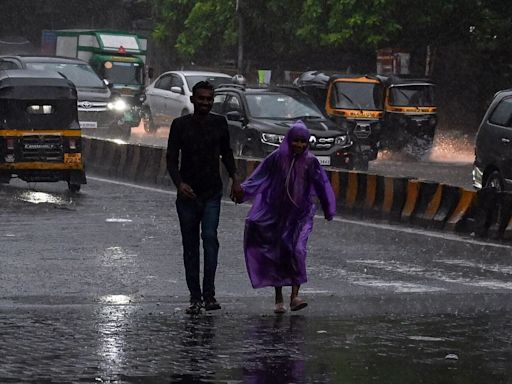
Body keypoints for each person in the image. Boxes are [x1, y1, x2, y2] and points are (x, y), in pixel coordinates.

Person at [236, 120, 336, 313]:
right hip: (277, 214)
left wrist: (328, 207)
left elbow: (322, 185)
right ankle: (279, 297)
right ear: (288, 140)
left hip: (301, 215)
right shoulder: (276, 158)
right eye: (295, 140)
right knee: (278, 252)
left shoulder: (311, 162)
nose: (298, 145)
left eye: (302, 141)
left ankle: (295, 296)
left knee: (297, 250)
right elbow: (259, 177)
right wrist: (243, 192)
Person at [167, 80, 243, 315]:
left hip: (212, 192)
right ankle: (195, 297)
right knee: (190, 247)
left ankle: (209, 294)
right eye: (201, 99)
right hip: (188, 196)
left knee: (210, 239)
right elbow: (171, 159)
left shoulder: (219, 123)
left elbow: (226, 153)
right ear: (193, 100)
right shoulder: (180, 125)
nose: (205, 103)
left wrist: (235, 177)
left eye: (209, 100)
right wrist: (180, 184)